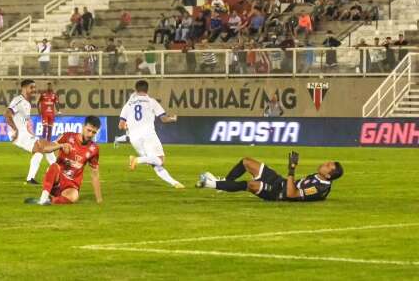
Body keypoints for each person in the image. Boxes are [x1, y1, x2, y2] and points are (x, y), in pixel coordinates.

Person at [196, 152, 343, 202]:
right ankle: (225, 185)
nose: (324, 164)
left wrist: (291, 169)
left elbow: (291, 194)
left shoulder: (319, 188)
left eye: (328, 165)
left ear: (328, 175)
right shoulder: (319, 176)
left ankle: (209, 184)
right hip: (280, 182)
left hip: (278, 193)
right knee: (247, 161)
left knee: (250, 185)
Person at [24, 116, 103, 205]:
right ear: (83, 126)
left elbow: (95, 175)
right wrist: (60, 146)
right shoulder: (67, 136)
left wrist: (99, 199)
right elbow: (46, 149)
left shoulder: (94, 149)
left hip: (71, 185)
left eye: (94, 132)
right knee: (54, 166)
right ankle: (43, 198)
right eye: (89, 130)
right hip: (57, 179)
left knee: (74, 197)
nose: (90, 135)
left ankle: (50, 201)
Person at [121, 80, 184, 188]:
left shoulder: (128, 104)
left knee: (154, 162)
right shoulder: (151, 101)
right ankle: (136, 160)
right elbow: (163, 119)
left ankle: (174, 183)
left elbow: (121, 125)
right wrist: (173, 118)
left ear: (136, 90)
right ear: (147, 90)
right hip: (147, 134)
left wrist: (130, 126)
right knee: (160, 160)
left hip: (134, 138)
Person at [5, 80, 68, 185]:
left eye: (34, 87)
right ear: (24, 88)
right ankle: (59, 172)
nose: (34, 90)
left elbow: (25, 122)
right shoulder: (18, 100)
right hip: (19, 134)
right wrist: (15, 130)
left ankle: (33, 178)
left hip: (25, 133)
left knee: (41, 149)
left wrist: (32, 133)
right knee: (42, 146)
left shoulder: (27, 103)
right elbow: (7, 114)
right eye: (31, 87)